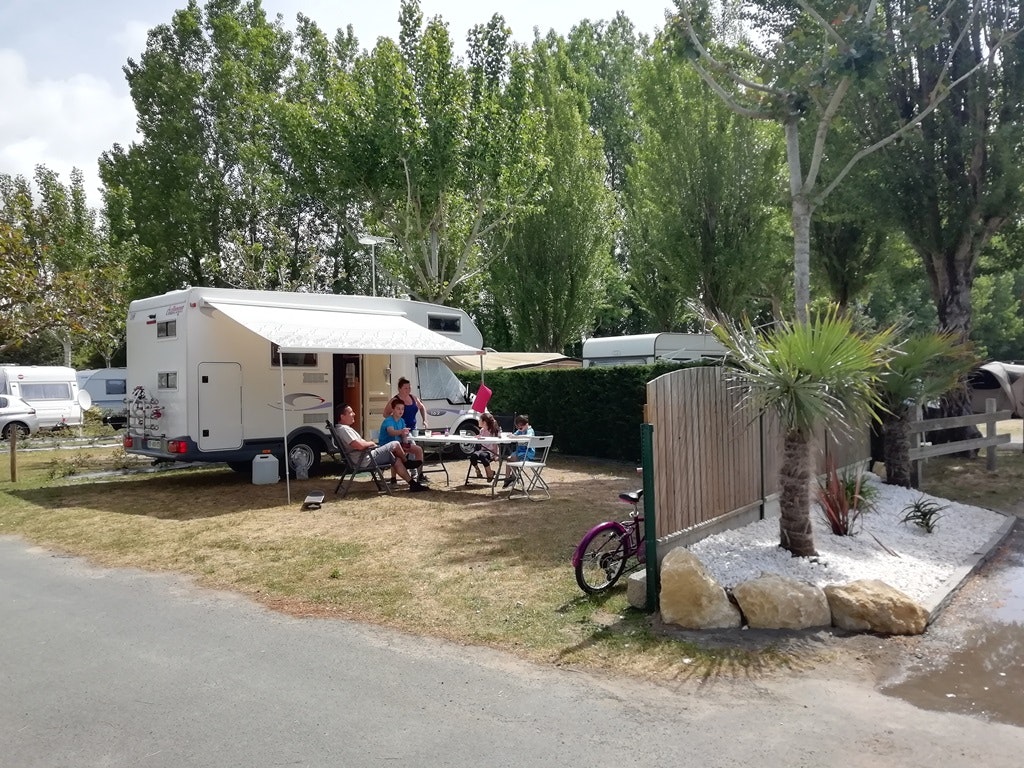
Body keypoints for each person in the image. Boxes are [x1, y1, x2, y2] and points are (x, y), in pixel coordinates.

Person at [336, 404, 426, 492]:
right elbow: (359, 446)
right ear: (342, 416)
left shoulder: (343, 429)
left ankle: (413, 484)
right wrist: (371, 443)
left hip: (364, 457)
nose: (354, 414)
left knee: (396, 459)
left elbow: (359, 445)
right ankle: (406, 462)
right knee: (395, 444)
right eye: (350, 412)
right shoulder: (344, 430)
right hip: (365, 459)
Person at [379, 397, 426, 483]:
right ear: (393, 409)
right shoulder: (388, 420)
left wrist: (406, 444)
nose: (401, 411)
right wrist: (402, 431)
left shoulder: (402, 421)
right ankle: (395, 477)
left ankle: (419, 475)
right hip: (386, 447)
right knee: (397, 455)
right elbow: (391, 432)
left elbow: (403, 436)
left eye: (402, 409)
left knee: (418, 449)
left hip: (399, 445)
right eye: (398, 409)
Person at [503, 413, 536, 488]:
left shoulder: (530, 431)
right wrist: (511, 435)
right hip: (519, 453)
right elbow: (514, 435)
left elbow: (529, 436)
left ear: (526, 424)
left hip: (527, 454)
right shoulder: (520, 431)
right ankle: (509, 478)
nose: (519, 429)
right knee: (509, 459)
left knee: (512, 459)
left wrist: (517, 436)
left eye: (521, 428)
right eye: (518, 428)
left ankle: (512, 478)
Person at [469, 412, 501, 482]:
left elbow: (495, 444)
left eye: (480, 420)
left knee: (482, 456)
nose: (478, 421)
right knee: (473, 456)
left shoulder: (492, 431)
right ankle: (477, 470)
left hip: (491, 451)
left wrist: (496, 455)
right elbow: (481, 442)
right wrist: (478, 438)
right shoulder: (482, 430)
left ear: (484, 422)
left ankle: (490, 473)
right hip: (483, 449)